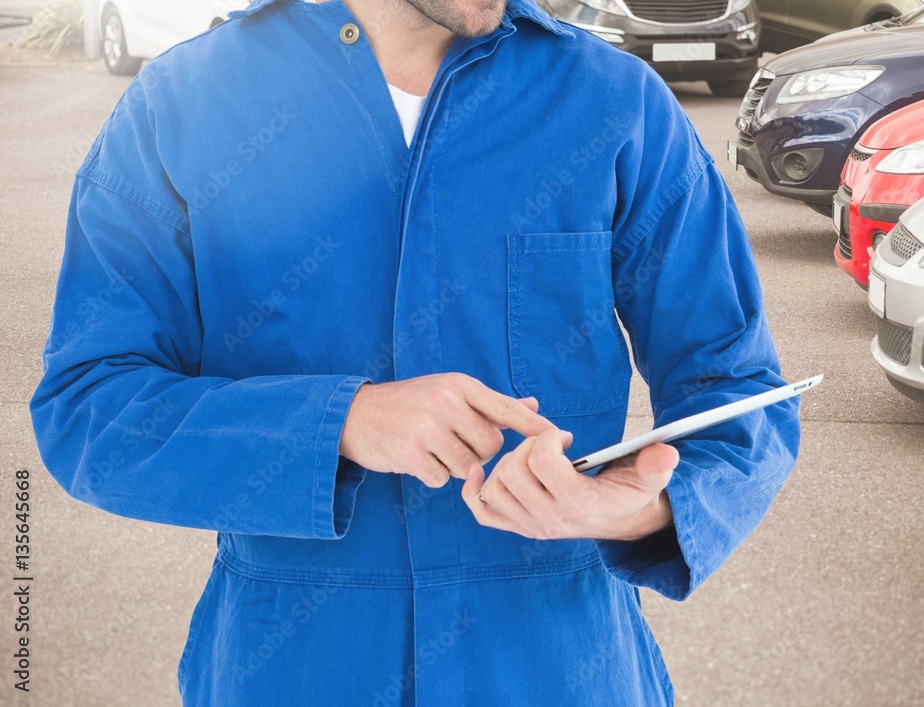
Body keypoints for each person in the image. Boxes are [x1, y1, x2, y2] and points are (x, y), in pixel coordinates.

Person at [30, 0, 801, 703]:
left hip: (561, 666)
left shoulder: (618, 106)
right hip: (293, 666)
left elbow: (735, 388)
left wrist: (645, 508)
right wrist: (339, 422)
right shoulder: (181, 107)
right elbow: (91, 407)